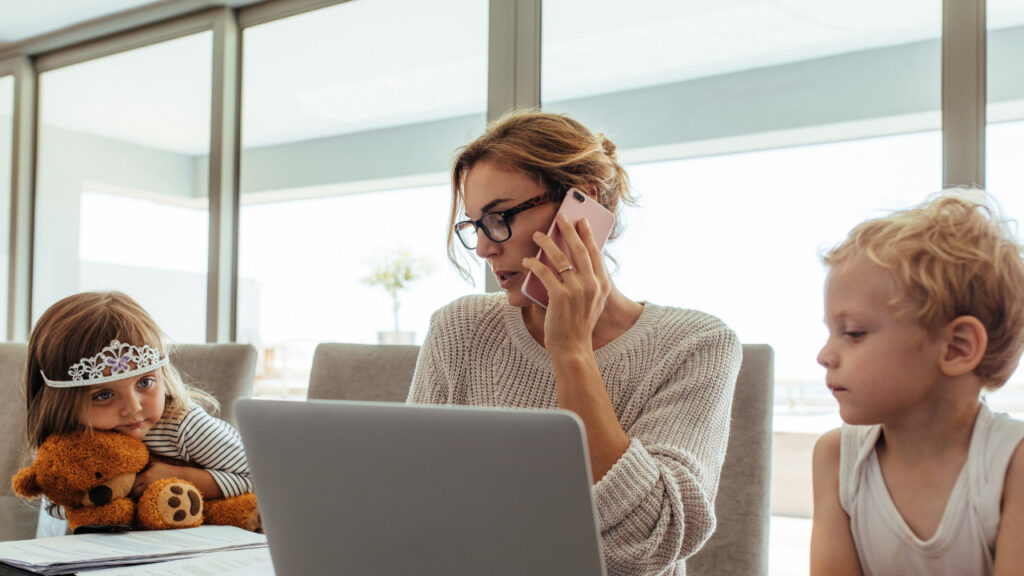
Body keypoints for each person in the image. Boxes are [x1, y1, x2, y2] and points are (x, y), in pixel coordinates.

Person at [406, 109, 742, 576]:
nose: (484, 248)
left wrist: (572, 353)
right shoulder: (460, 329)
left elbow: (646, 544)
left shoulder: (695, 346)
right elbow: (414, 506)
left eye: (500, 217)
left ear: (585, 200)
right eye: (475, 225)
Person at [811, 190, 1024, 575]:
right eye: (831, 332)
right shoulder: (836, 458)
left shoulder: (1012, 465)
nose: (825, 356)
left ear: (957, 347)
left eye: (854, 333)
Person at [24, 291, 253, 521]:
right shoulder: (66, 443)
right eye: (103, 395)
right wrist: (102, 500)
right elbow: (54, 506)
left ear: (162, 375)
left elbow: (259, 479)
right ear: (62, 403)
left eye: (145, 382)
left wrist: (179, 476)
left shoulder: (183, 425)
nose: (133, 407)